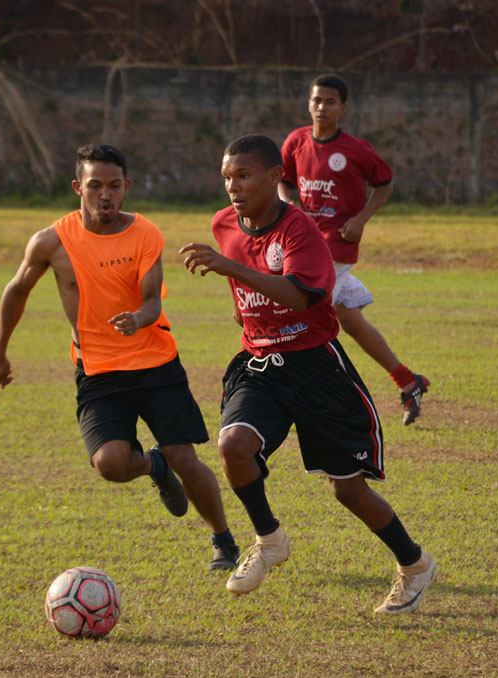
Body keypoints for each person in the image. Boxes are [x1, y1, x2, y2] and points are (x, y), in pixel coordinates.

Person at [180, 133, 436, 613]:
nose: (232, 186)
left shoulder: (300, 230)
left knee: (348, 490)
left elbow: (300, 296)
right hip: (261, 365)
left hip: (316, 366)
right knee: (232, 445)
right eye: (226, 177)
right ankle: (269, 539)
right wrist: (241, 303)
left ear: (275, 177)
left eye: (244, 175)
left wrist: (230, 268)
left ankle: (415, 564)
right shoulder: (223, 226)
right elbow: (244, 284)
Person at [0, 143, 239, 571]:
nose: (105, 194)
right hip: (98, 372)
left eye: (114, 185)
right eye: (94, 186)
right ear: (77, 188)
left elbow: (151, 301)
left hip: (155, 363)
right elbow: (17, 290)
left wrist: (139, 319)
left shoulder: (145, 233)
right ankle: (154, 465)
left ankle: (223, 540)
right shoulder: (51, 241)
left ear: (127, 187)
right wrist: (0, 351)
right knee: (110, 464)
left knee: (185, 455)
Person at [278, 73, 430, 426]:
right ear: (308, 103)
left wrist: (362, 217)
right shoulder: (296, 142)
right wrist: (291, 207)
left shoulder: (356, 150)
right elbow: (284, 183)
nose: (322, 107)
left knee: (302, 312)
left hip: (337, 245)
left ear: (342, 108)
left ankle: (312, 395)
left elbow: (385, 183)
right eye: (316, 100)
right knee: (350, 321)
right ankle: (409, 382)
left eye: (330, 102)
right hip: (304, 242)